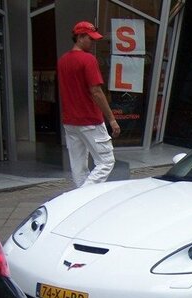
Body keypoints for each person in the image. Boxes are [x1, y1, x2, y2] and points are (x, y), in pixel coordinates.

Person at [57, 21, 120, 188]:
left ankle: (81, 198)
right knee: (106, 161)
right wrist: (112, 119)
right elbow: (96, 92)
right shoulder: (88, 59)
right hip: (90, 119)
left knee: (78, 166)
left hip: (70, 120)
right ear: (79, 37)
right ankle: (82, 197)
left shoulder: (63, 60)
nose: (93, 42)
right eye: (90, 39)